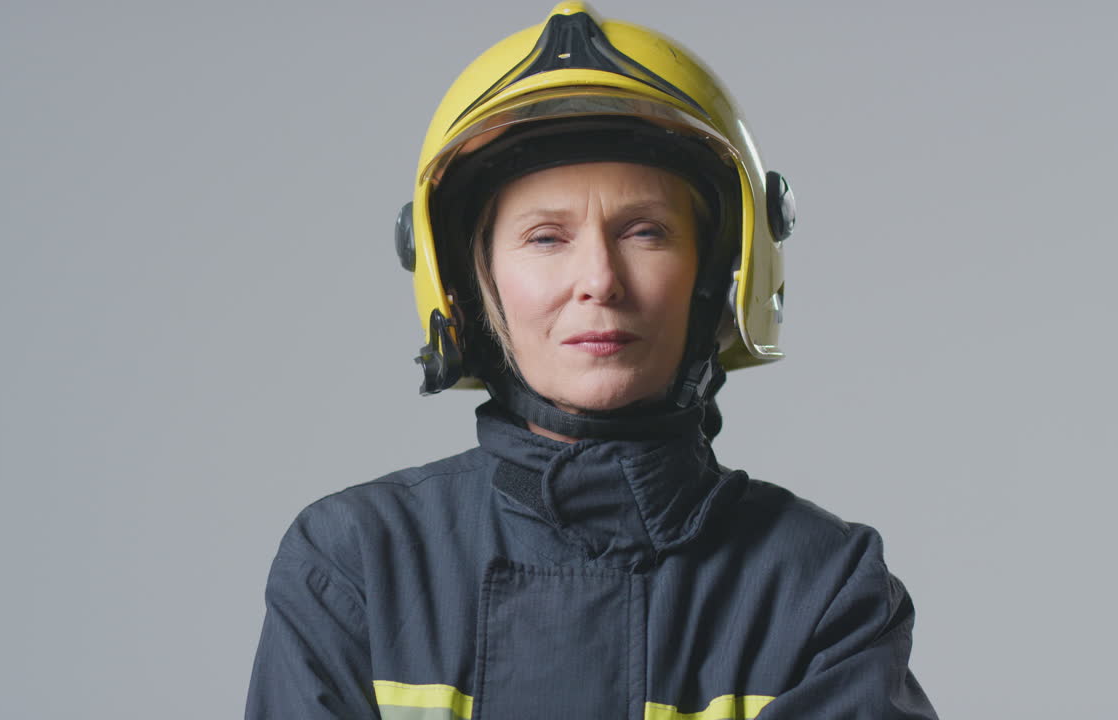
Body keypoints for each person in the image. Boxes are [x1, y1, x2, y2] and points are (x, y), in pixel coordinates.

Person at [246, 3, 938, 718]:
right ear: (471, 280)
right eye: (546, 238)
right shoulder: (355, 566)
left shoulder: (819, 588)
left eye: (644, 231)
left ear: (717, 274)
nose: (600, 280)